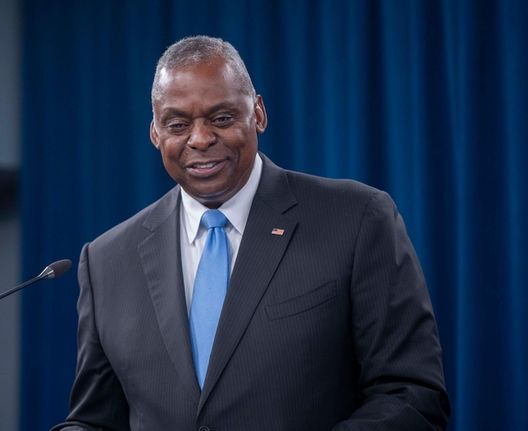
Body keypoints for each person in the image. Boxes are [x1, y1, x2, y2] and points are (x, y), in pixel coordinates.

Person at [53, 36, 449, 430]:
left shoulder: (357, 219)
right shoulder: (106, 261)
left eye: (221, 118)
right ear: (156, 133)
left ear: (257, 113)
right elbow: (94, 421)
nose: (200, 138)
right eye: (178, 124)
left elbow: (412, 396)